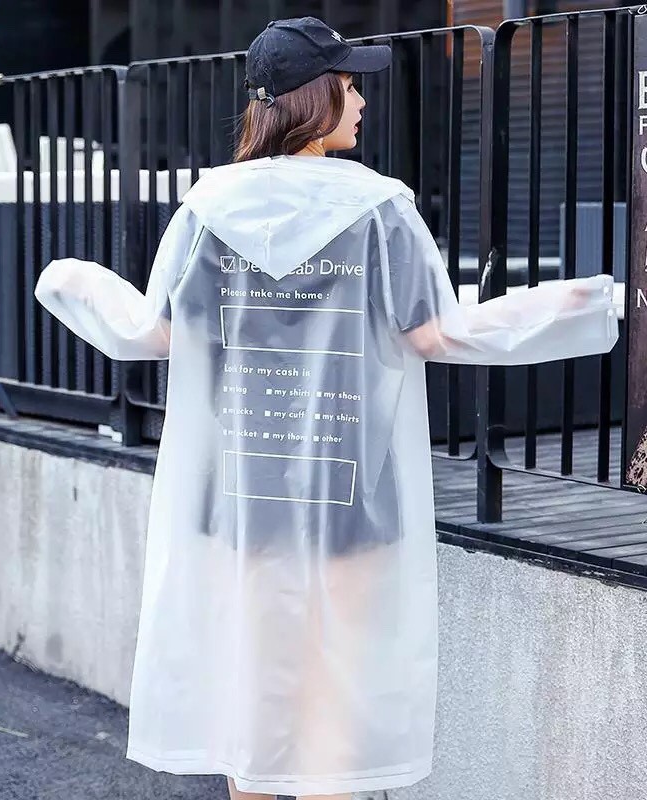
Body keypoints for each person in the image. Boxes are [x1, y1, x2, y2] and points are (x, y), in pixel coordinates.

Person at [34, 16, 618, 800]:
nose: (363, 101)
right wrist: (580, 306)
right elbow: (438, 334)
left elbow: (158, 332)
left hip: (239, 486)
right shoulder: (380, 211)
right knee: (335, 689)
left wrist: (71, 281)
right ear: (314, 98)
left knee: (252, 684)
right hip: (351, 488)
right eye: (349, 85)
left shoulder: (206, 210)